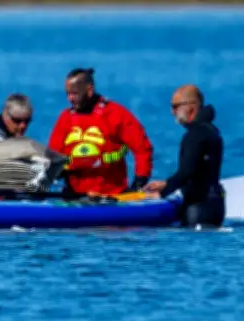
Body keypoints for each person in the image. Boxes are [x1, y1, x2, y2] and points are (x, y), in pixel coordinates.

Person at [47, 67, 154, 196]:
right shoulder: (65, 118)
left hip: (110, 195)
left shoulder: (115, 114)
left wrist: (139, 182)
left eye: (74, 93)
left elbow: (142, 148)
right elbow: (53, 155)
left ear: (89, 90)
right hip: (74, 194)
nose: (69, 98)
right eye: (67, 93)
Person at [143, 84, 225, 228]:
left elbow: (187, 171)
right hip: (216, 206)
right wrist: (166, 183)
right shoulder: (212, 131)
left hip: (199, 208)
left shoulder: (194, 135)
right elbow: (199, 172)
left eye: (175, 107)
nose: (172, 112)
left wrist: (163, 193)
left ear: (191, 108)